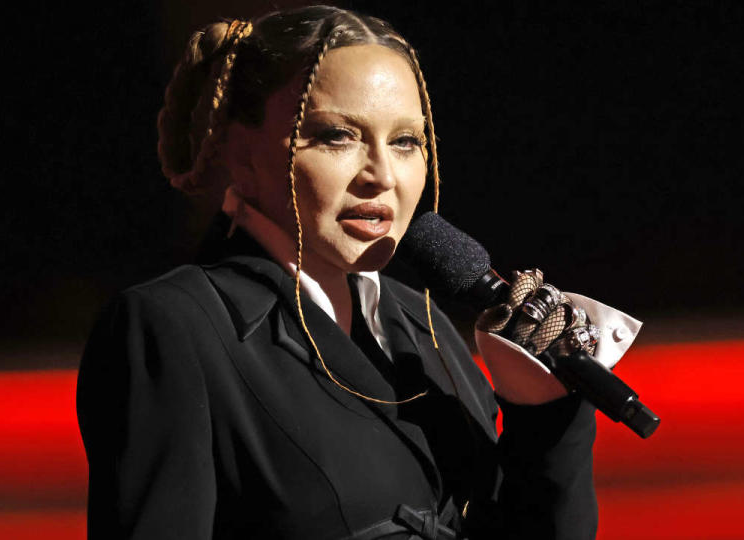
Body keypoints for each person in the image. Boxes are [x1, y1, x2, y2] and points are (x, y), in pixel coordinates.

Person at [76, 6, 640, 539]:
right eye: (336, 136)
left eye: (404, 142)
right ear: (241, 153)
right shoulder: (173, 329)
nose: (381, 175)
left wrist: (541, 417)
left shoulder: (429, 328)